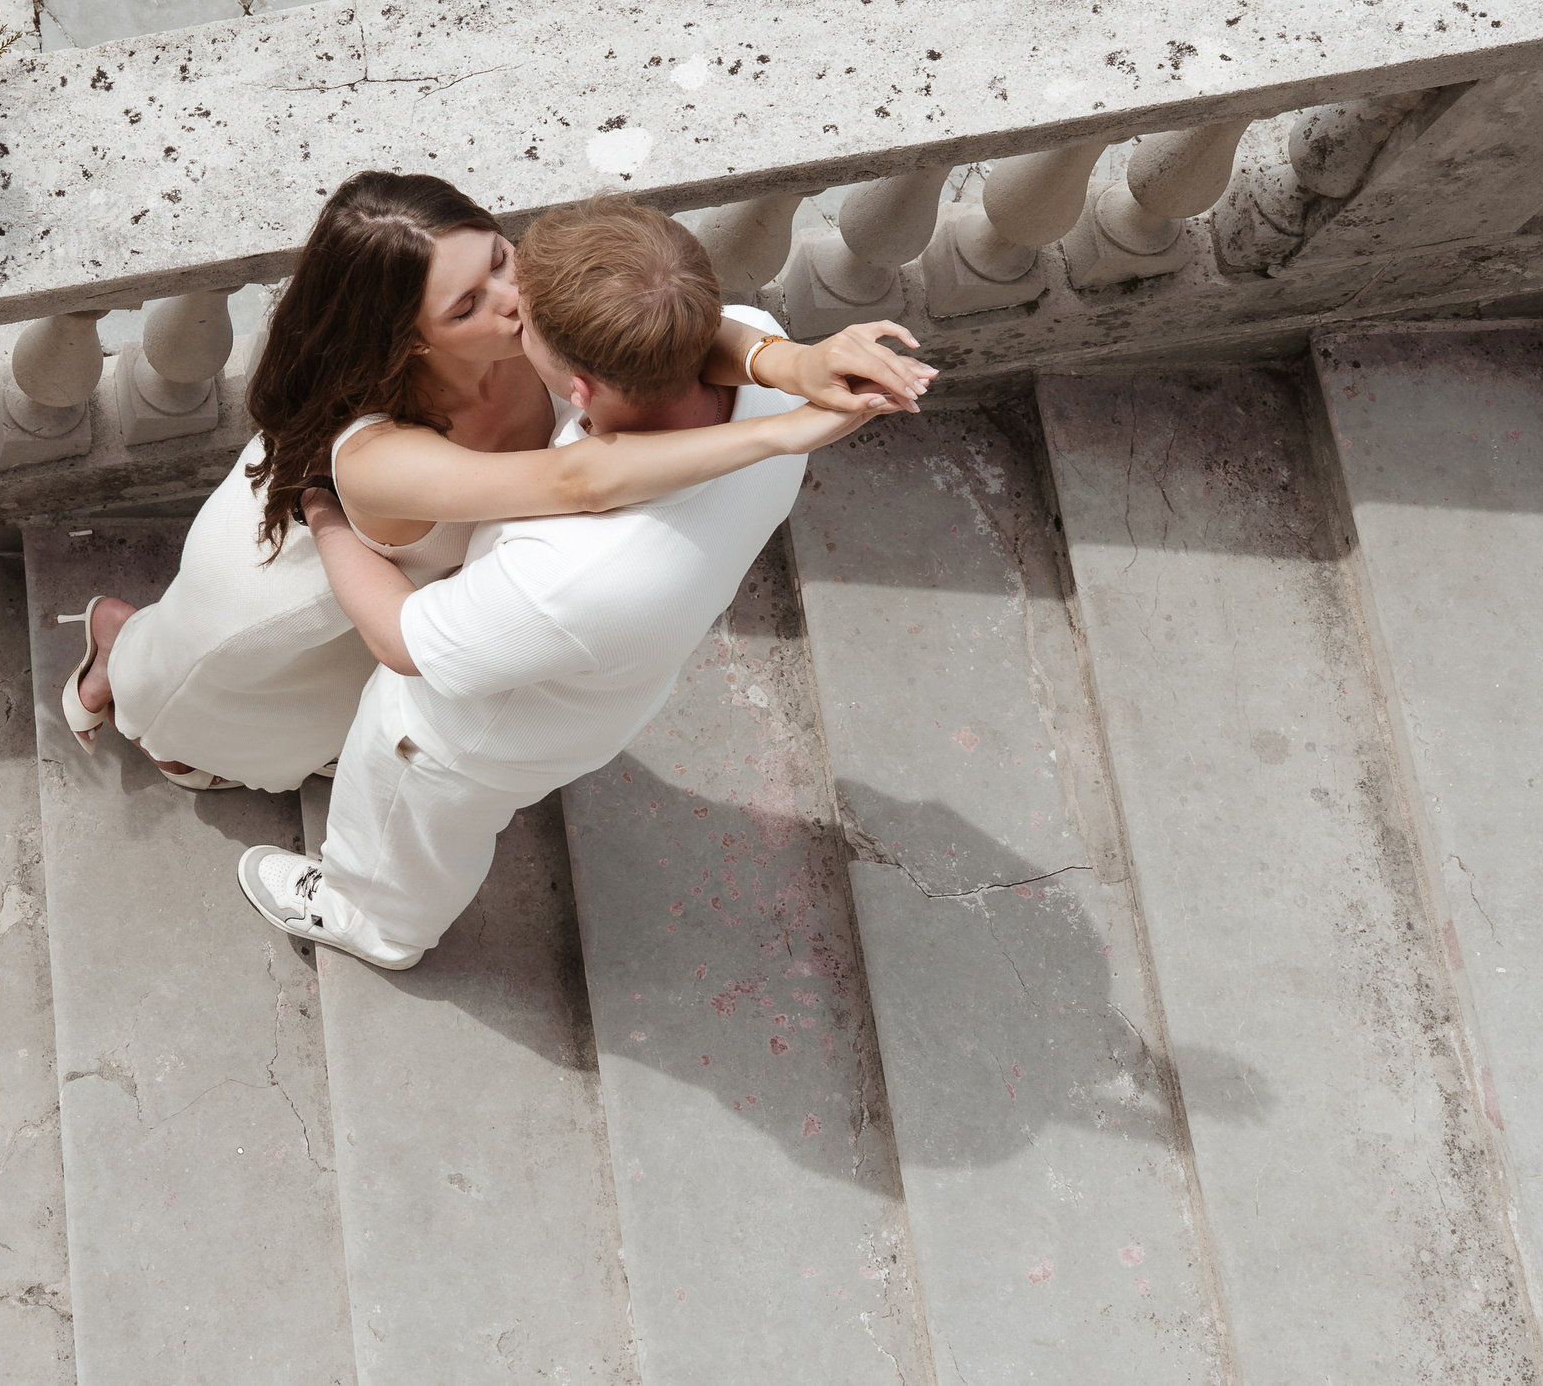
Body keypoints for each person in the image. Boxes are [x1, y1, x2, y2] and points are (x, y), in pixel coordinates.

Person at [57, 171, 932, 794]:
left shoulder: (529, 328)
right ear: (408, 341)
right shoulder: (373, 453)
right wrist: (784, 428)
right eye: (466, 305)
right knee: (191, 694)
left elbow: (653, 328)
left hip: (400, 595)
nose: (515, 302)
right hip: (295, 581)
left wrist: (790, 359)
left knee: (335, 715)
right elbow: (583, 478)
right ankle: (115, 655)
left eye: (501, 262)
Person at [239, 194, 884, 968]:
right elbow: (707, 359)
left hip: (461, 736)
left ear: (578, 388)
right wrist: (786, 364)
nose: (513, 311)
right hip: (605, 688)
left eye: (521, 298)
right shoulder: (774, 377)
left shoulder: (570, 576)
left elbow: (402, 640)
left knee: (407, 828)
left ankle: (369, 919)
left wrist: (321, 506)